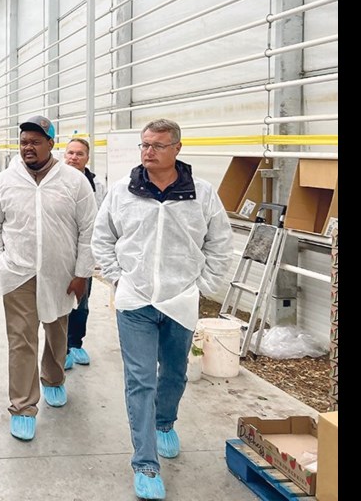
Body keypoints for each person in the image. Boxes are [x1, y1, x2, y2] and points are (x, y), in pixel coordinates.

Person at [91, 119, 233, 500]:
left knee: (174, 373)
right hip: (135, 300)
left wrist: (203, 287)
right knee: (140, 380)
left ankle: (165, 421)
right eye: (144, 145)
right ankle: (145, 463)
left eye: (156, 145)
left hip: (179, 300)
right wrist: (118, 279)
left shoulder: (201, 195)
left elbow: (220, 242)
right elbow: (102, 236)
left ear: (177, 149)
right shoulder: (123, 191)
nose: (148, 151)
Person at [0, 115, 96, 442]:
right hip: (17, 273)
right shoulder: (6, 180)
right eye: (23, 142)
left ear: (51, 143)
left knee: (57, 331)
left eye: (35, 141)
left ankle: (54, 378)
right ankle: (22, 406)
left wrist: (82, 272)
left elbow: (89, 229)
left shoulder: (74, 182)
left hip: (61, 274)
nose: (28, 147)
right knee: (21, 340)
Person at [62, 137, 107, 368]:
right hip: (59, 253)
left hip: (84, 251)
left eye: (79, 154)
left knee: (82, 302)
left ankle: (76, 343)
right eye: (70, 153)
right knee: (60, 302)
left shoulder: (96, 185)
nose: (74, 158)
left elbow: (100, 219)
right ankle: (62, 349)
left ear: (87, 158)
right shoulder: (55, 180)